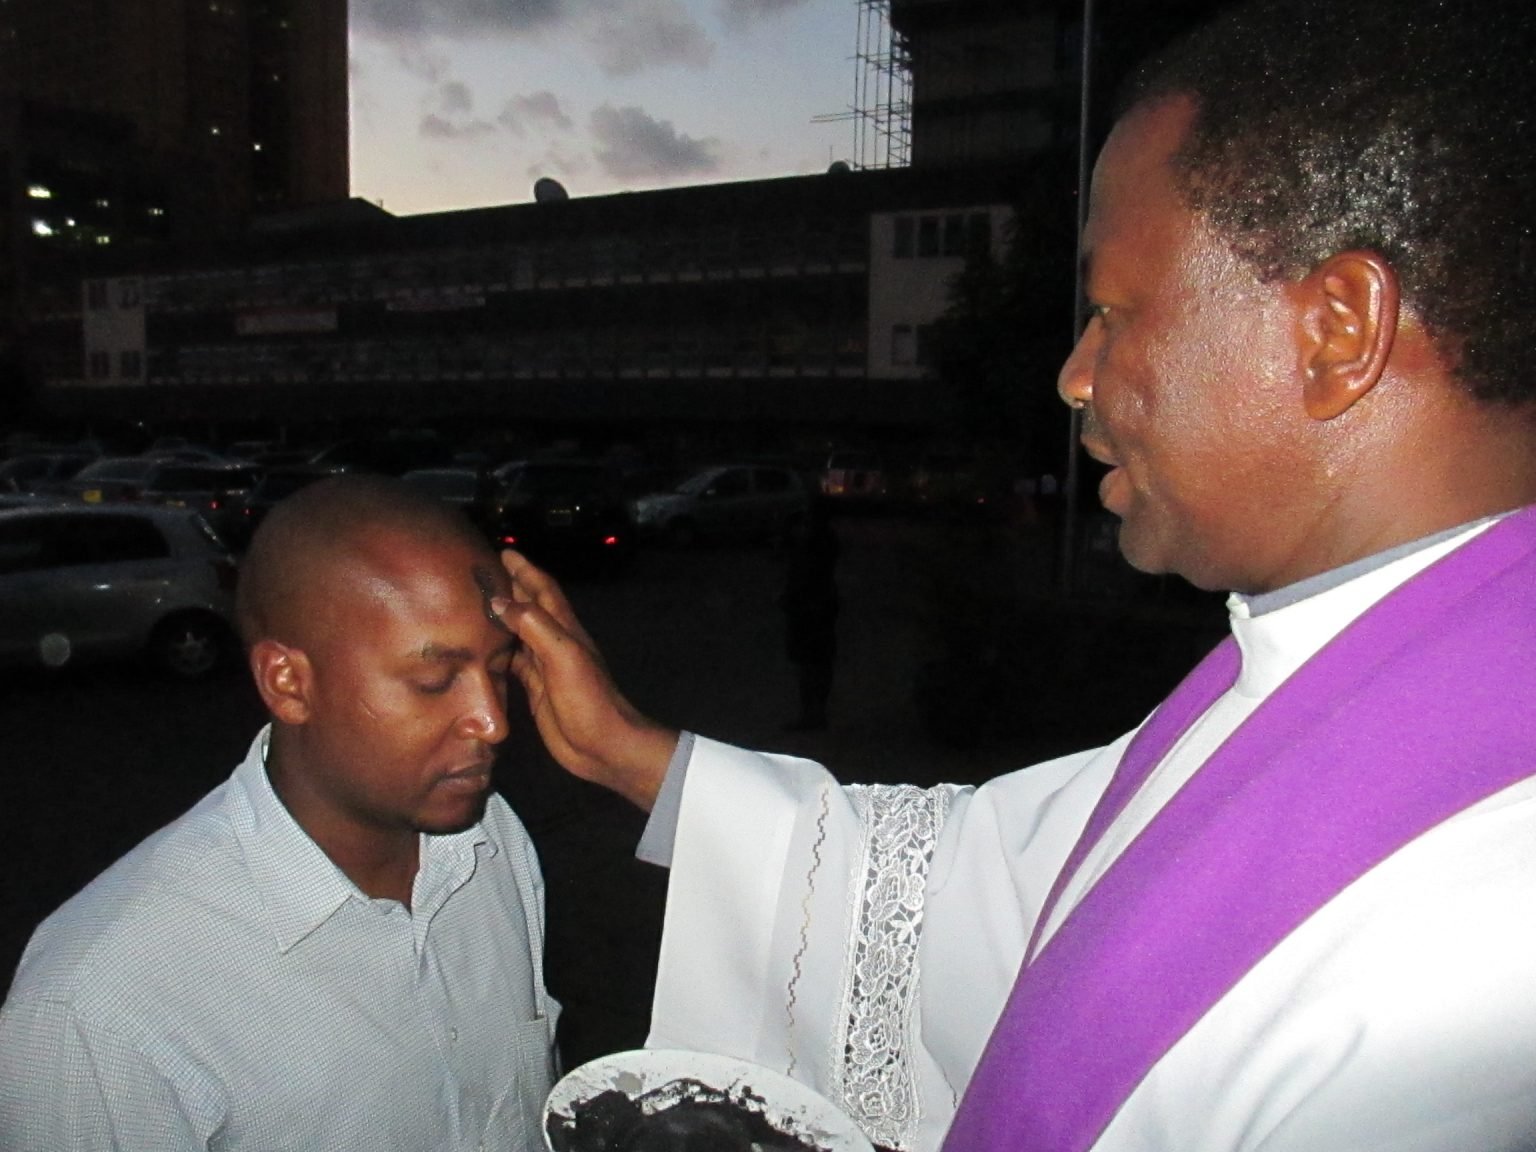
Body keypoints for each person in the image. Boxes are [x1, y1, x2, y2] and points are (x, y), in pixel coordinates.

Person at [493, 0, 1536, 1149]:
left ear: (1338, 327)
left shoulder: (1475, 933)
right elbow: (987, 891)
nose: (1076, 378)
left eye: (1113, 311)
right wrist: (630, 753)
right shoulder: (1334, 659)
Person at [0, 475, 558, 1150]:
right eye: (434, 681)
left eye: (499, 669)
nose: (493, 721)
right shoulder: (99, 1005)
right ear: (288, 683)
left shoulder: (492, 842)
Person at [778, 498, 840, 730]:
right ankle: (815, 713)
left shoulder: (816, 543)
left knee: (810, 662)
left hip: (810, 607)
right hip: (816, 606)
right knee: (816, 662)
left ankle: (812, 714)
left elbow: (802, 573)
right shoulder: (821, 541)